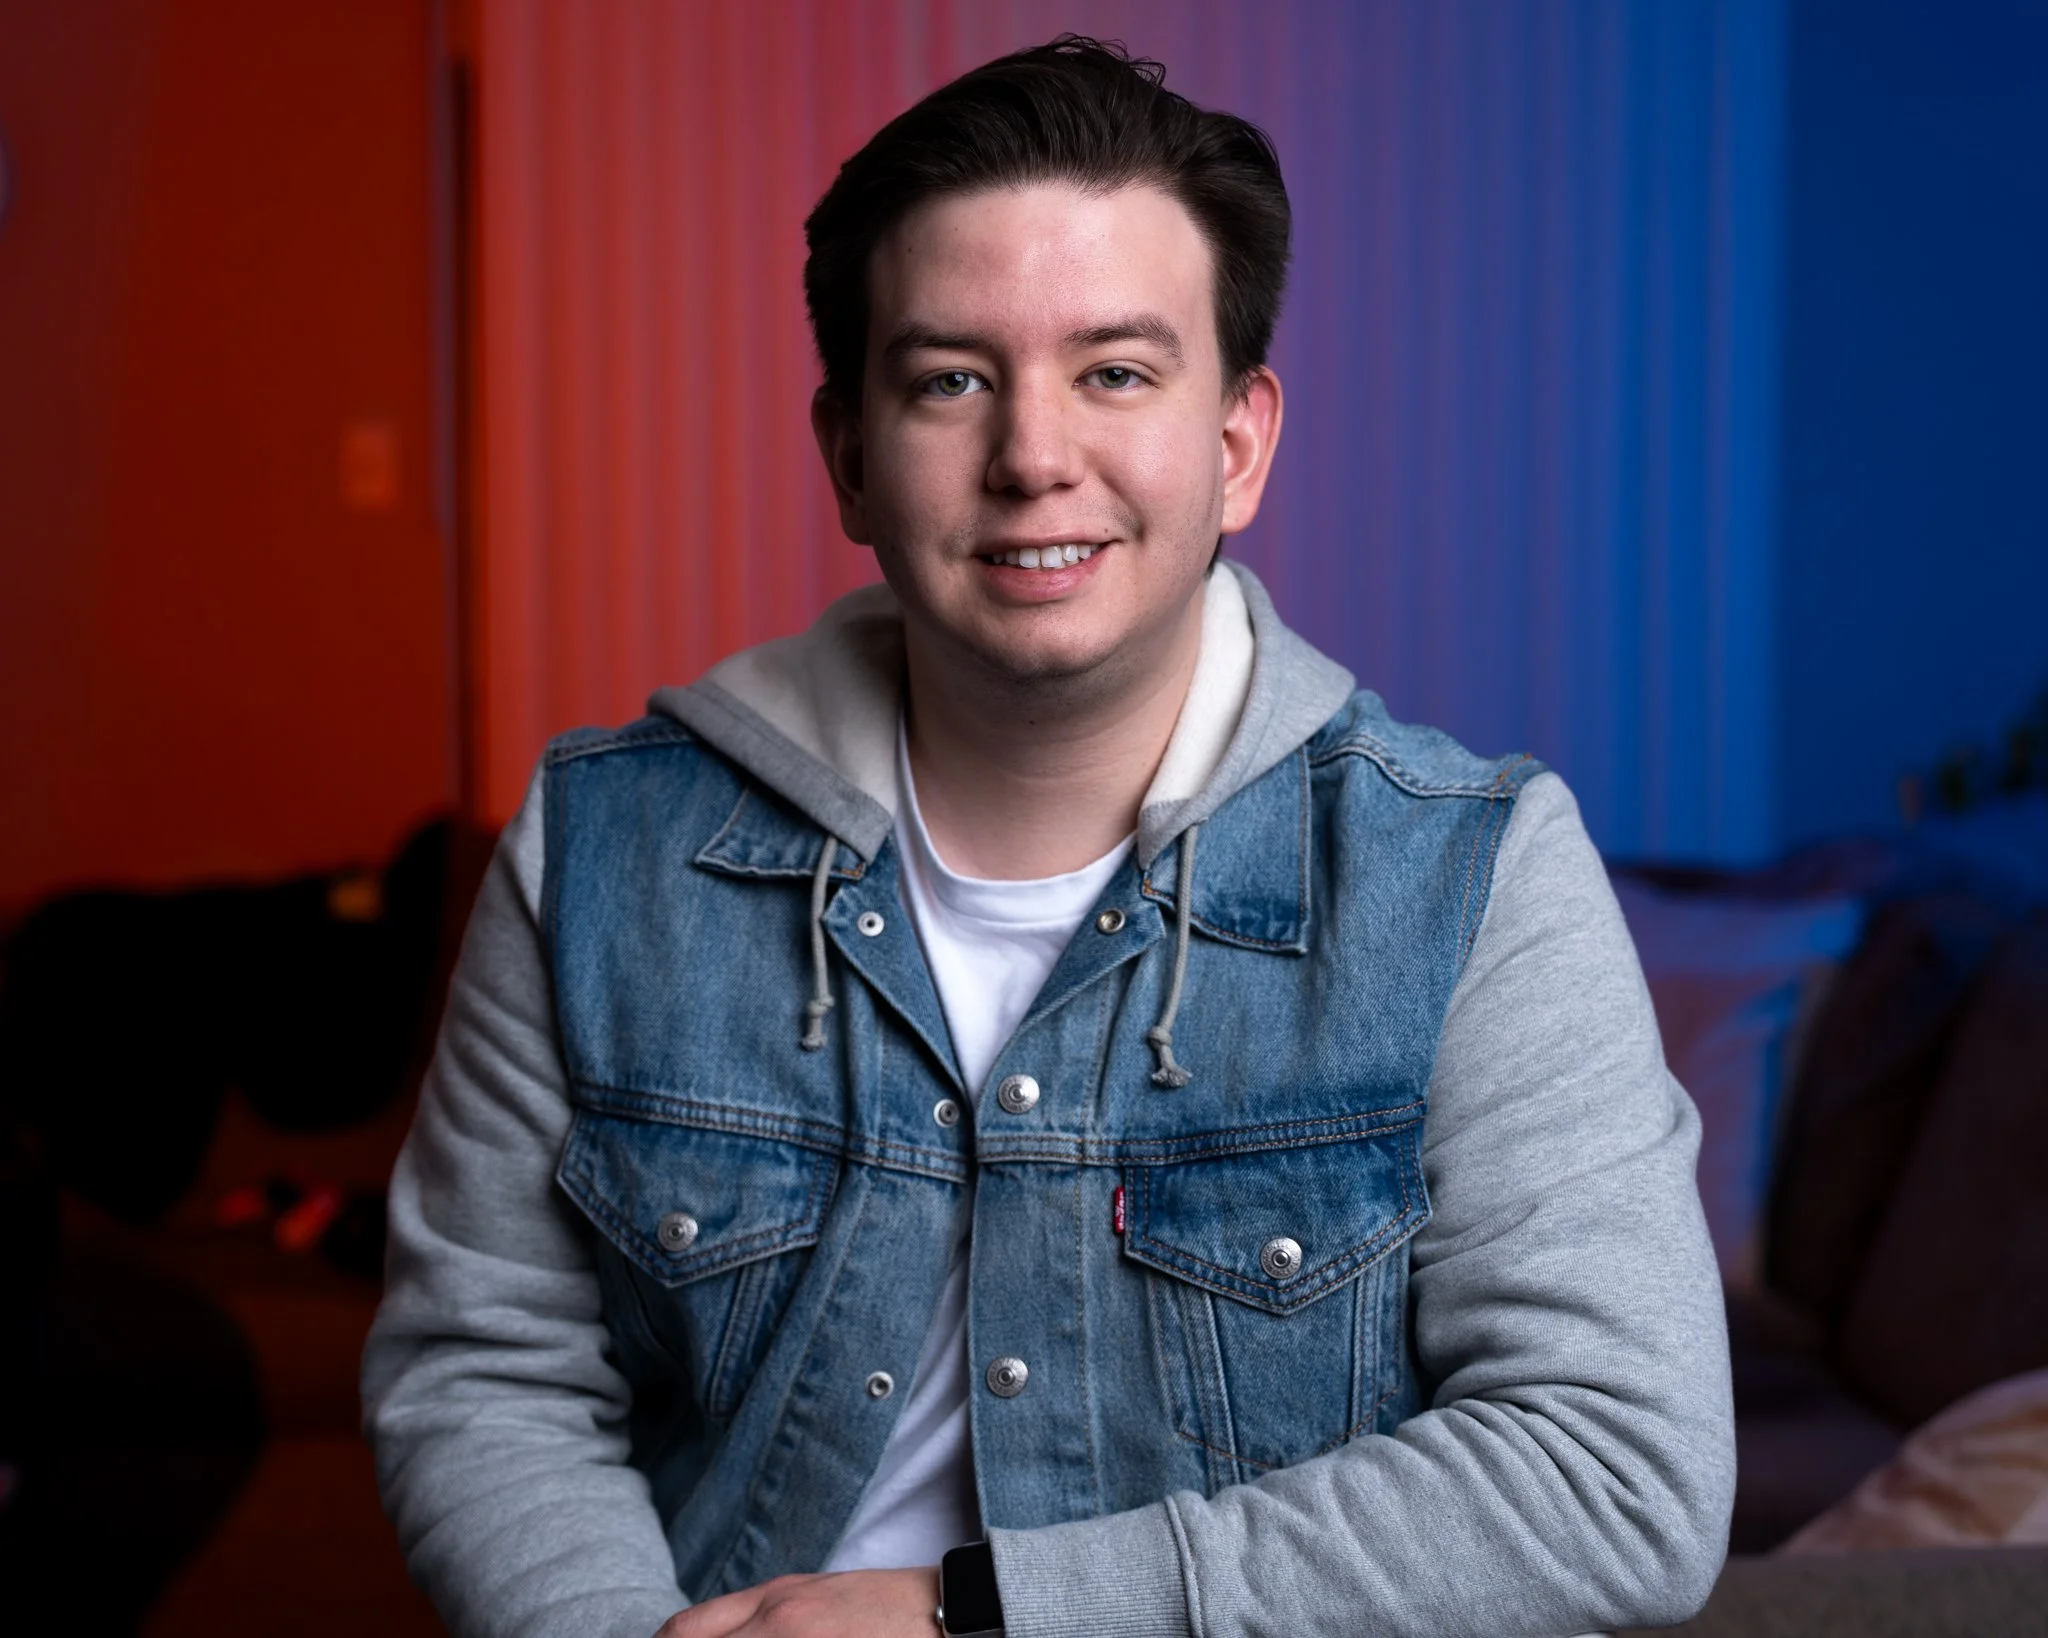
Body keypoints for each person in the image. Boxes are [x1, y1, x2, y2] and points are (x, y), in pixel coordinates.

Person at [363, 36, 1734, 1638]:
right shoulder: (603, 848)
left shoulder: (1475, 875)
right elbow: (484, 1371)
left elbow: (1615, 1472)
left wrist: (985, 1615)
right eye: (951, 377)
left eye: (1117, 372)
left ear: (1237, 442)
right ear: (849, 454)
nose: (1032, 456)